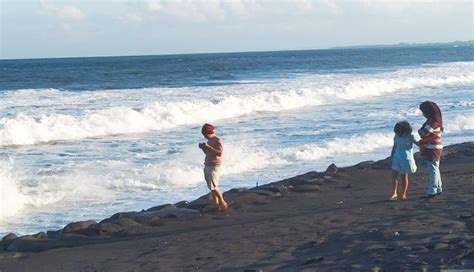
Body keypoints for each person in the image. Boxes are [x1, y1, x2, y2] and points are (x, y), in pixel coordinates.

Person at [199, 123, 228, 211]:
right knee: (211, 186)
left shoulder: (218, 140)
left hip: (214, 166)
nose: (205, 137)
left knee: (214, 186)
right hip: (208, 164)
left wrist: (209, 147)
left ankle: (222, 202)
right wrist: (204, 148)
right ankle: (215, 203)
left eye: (205, 134)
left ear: (209, 133)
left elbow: (219, 153)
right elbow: (208, 153)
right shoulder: (209, 141)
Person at [418, 101, 443, 198]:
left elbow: (423, 133)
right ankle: (438, 188)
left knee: (432, 169)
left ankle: (432, 190)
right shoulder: (436, 121)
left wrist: (420, 131)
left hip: (433, 148)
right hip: (435, 147)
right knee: (435, 168)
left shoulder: (433, 122)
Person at [390, 121, 418, 200]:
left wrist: (425, 147)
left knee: (404, 176)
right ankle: (394, 193)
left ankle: (403, 194)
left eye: (399, 133)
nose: (398, 134)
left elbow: (418, 143)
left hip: (406, 158)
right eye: (397, 133)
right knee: (394, 175)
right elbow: (395, 146)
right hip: (396, 157)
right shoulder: (396, 136)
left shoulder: (410, 136)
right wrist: (392, 155)